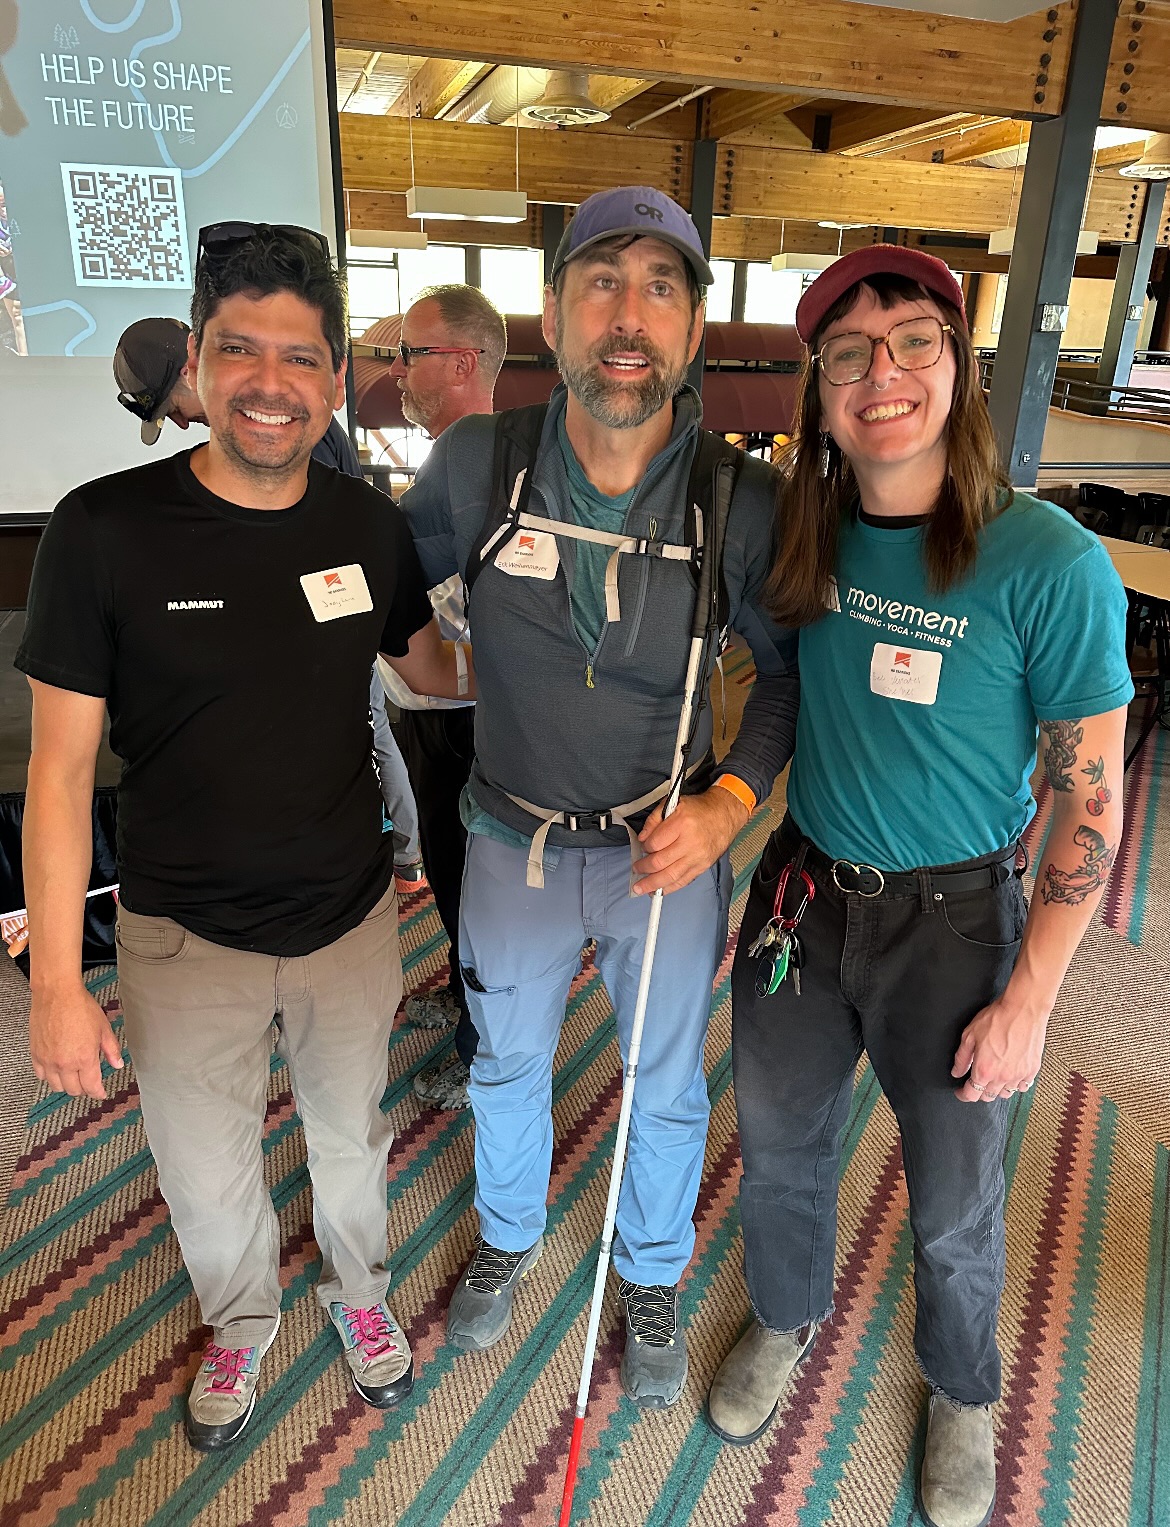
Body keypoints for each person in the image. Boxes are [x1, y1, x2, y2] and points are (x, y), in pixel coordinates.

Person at [19, 223, 470, 1453]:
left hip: (348, 921)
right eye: (239, 351)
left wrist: (560, 660)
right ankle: (240, 1317)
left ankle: (361, 1294)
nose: (271, 384)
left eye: (301, 357)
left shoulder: (366, 526)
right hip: (182, 938)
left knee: (352, 1138)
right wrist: (55, 983)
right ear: (197, 365)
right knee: (203, 1167)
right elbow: (58, 774)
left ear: (336, 378)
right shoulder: (102, 529)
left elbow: (433, 669)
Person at [704, 246, 1133, 1527]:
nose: (880, 372)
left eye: (912, 343)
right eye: (847, 353)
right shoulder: (807, 533)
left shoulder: (1047, 560)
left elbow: (1090, 802)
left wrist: (1032, 1002)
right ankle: (786, 1315)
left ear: (960, 369)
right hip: (803, 897)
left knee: (953, 1200)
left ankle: (961, 1387)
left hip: (954, 922)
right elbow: (779, 688)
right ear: (821, 393)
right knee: (780, 1147)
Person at [401, 186, 799, 1408]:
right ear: (552, 313)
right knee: (505, 1063)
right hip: (509, 841)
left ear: (694, 328)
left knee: (665, 1087)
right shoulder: (478, 465)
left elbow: (786, 681)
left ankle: (654, 1271)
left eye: (661, 288)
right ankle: (510, 1233)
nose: (630, 316)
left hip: (663, 854)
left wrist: (728, 805)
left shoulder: (740, 502)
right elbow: (377, 590)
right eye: (603, 283)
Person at [113, 317, 424, 884]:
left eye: (170, 406)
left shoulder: (286, 434)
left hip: (328, 627)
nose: (178, 421)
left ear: (191, 367)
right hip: (310, 627)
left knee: (366, 728)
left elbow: (314, 548)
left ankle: (404, 854)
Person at [370, 284, 506, 1111]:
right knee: (455, 884)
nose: (396, 372)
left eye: (408, 354)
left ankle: (482, 1047)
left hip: (465, 721)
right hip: (427, 710)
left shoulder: (485, 459)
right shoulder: (452, 456)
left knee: (473, 891)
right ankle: (463, 996)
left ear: (460, 362)